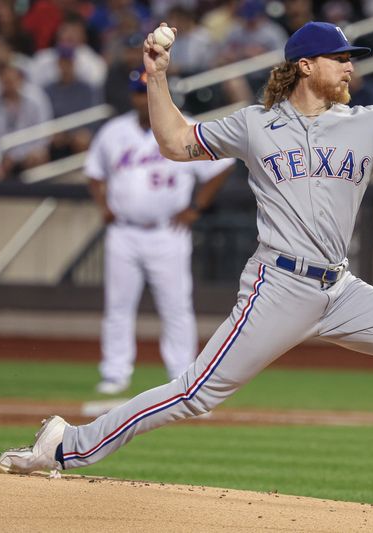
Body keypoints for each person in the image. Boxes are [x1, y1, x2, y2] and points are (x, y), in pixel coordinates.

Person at [0, 21, 373, 521]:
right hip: (279, 286)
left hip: (340, 288)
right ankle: (68, 445)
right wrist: (157, 78)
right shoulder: (254, 125)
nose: (350, 69)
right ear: (305, 65)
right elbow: (175, 143)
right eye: (340, 59)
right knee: (195, 394)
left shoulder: (372, 121)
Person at [88, 66, 235, 395]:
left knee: (176, 305)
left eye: (148, 92)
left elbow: (221, 166)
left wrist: (197, 207)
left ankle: (182, 374)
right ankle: (115, 373)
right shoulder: (114, 131)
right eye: (139, 93)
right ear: (132, 97)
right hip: (123, 232)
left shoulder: (183, 126)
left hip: (167, 232)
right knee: (118, 305)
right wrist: (103, 205)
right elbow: (94, 172)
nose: (143, 99)